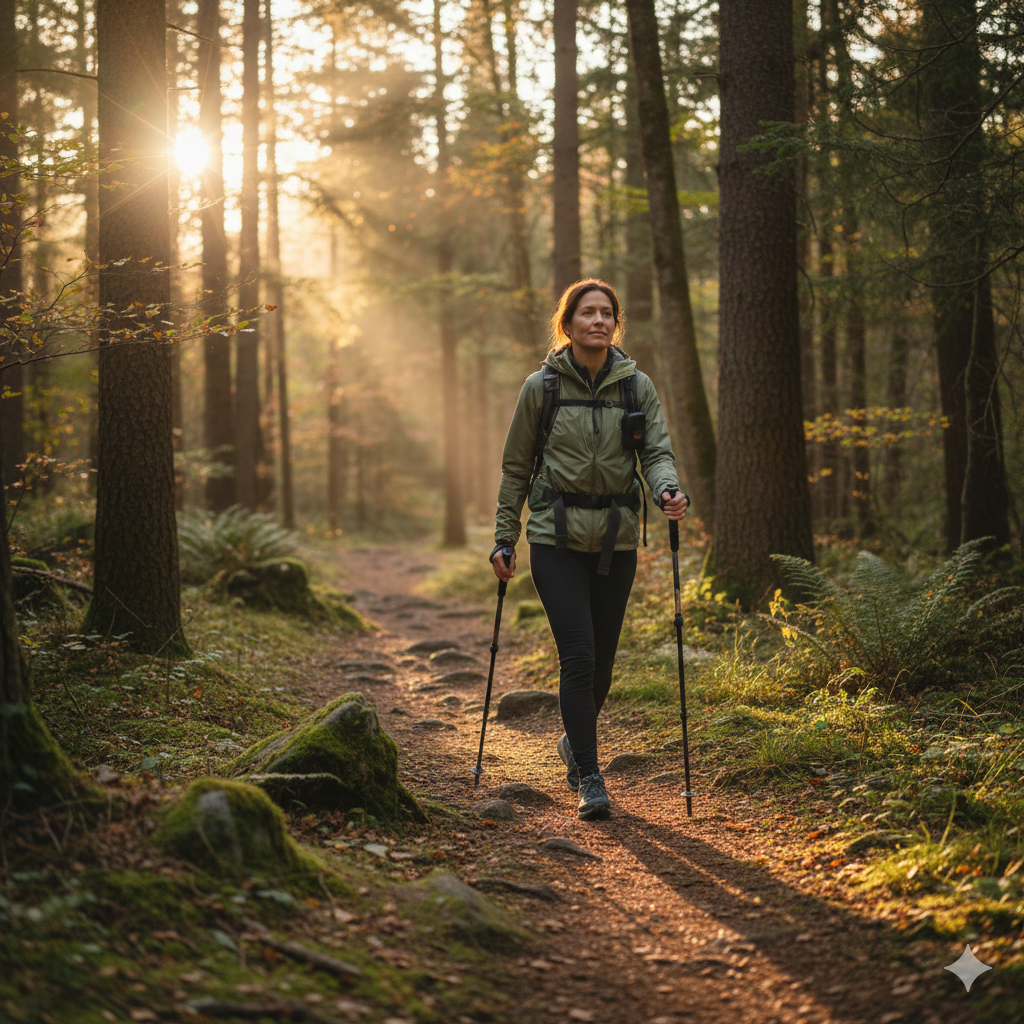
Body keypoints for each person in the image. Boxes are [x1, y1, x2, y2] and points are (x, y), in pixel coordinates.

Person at [490, 279, 687, 821]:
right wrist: (505, 538)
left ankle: (572, 745)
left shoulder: (636, 387)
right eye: (587, 313)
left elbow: (658, 455)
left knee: (602, 663)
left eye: (606, 314)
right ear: (568, 323)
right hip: (554, 540)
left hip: (616, 540)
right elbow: (515, 469)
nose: (597, 321)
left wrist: (667, 489)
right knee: (578, 655)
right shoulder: (542, 387)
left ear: (615, 324)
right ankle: (590, 775)